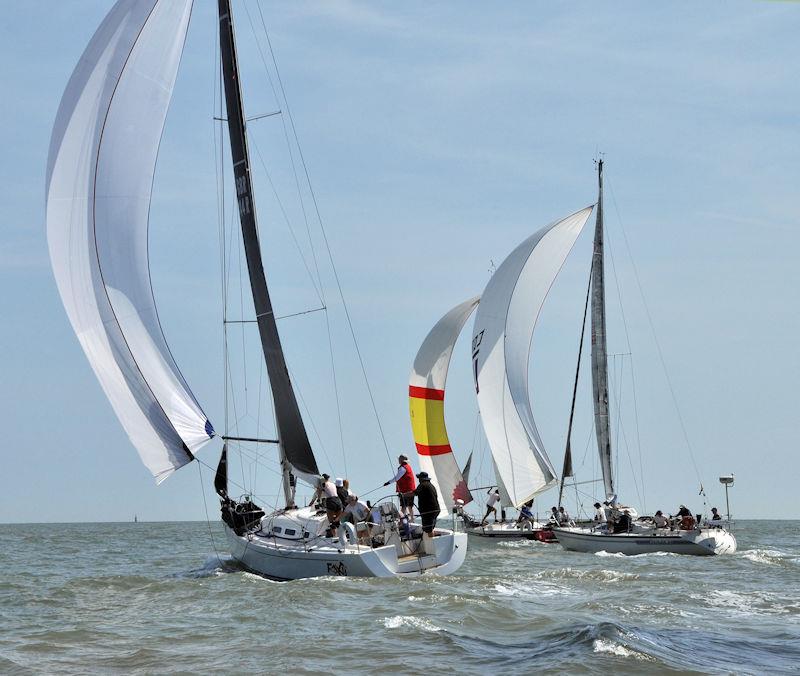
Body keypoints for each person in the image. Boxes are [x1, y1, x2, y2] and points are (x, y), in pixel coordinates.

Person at [412, 472, 440, 537]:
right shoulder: (430, 485)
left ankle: (432, 544)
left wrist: (403, 495)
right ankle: (433, 540)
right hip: (435, 510)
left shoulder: (422, 485)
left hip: (429, 512)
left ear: (421, 479)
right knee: (430, 528)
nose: (418, 480)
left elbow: (413, 493)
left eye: (419, 478)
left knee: (429, 530)